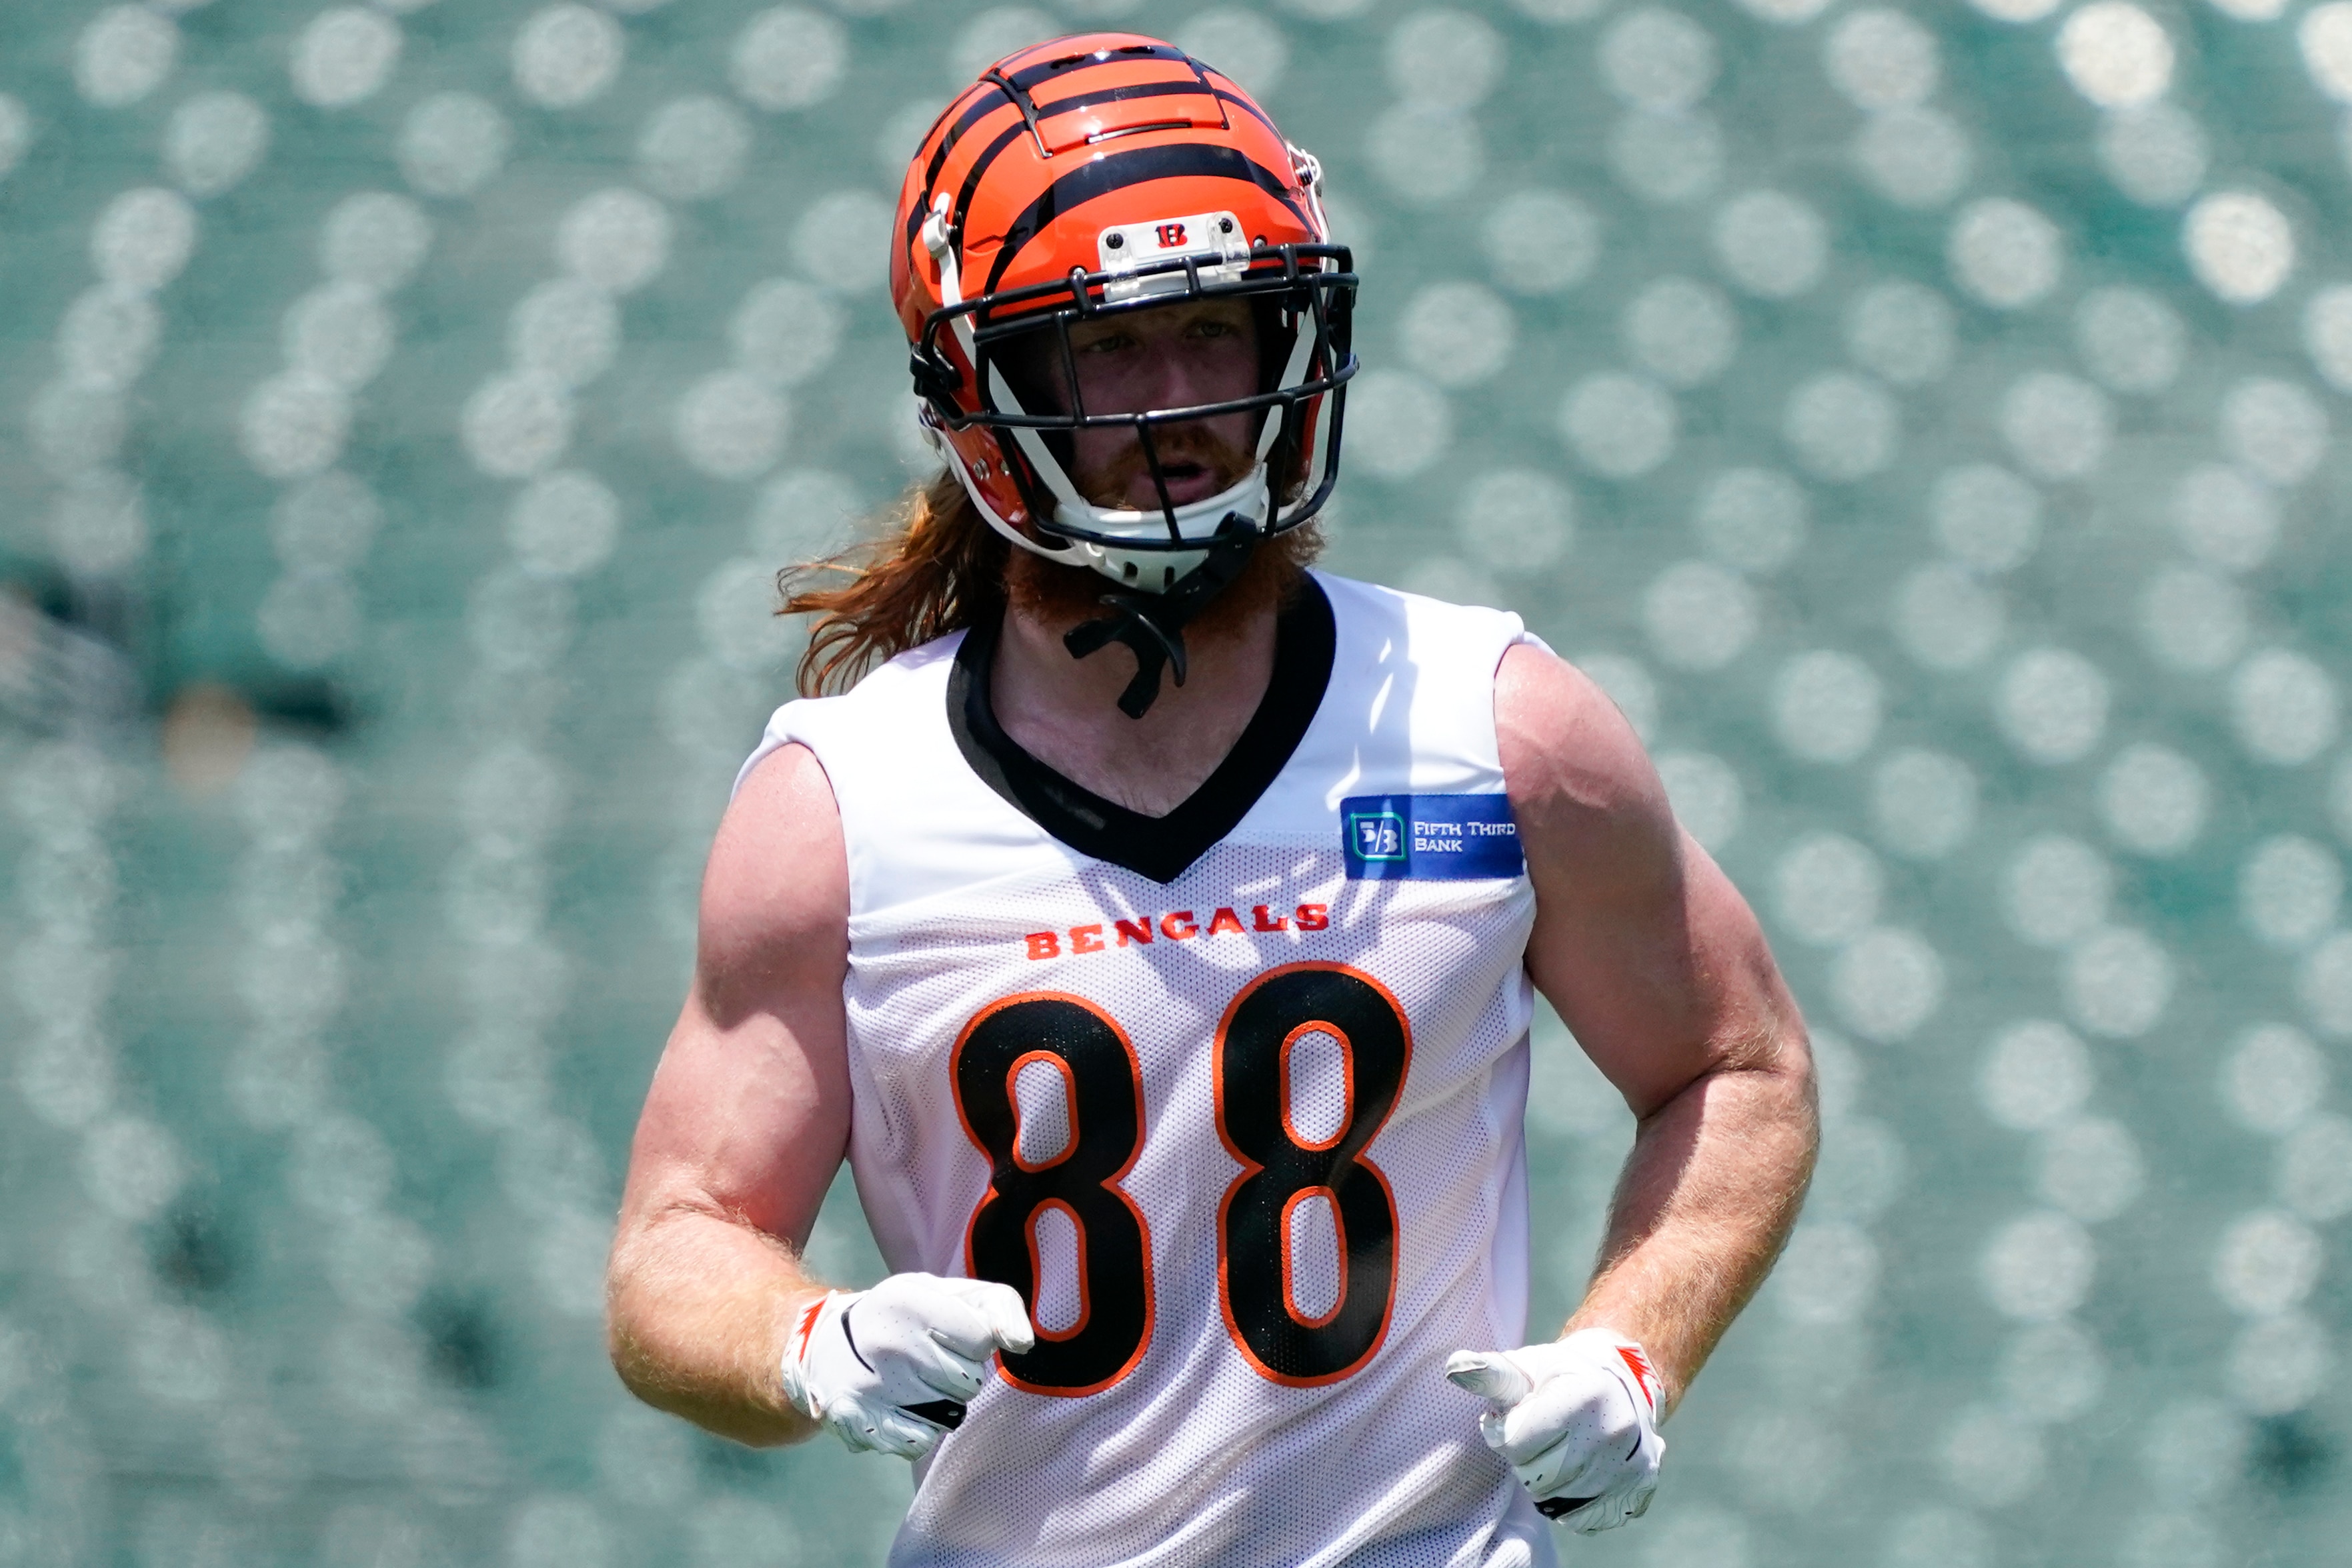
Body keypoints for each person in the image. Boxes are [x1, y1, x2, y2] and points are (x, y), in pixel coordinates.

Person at [606, 32, 1816, 1568]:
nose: (1180, 402)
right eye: (1111, 347)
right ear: (982, 381)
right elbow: (677, 1249)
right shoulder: (845, 801)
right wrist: (811, 1347)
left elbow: (1736, 1064)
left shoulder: (1495, 723)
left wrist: (1631, 1348)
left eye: (1222, 328)